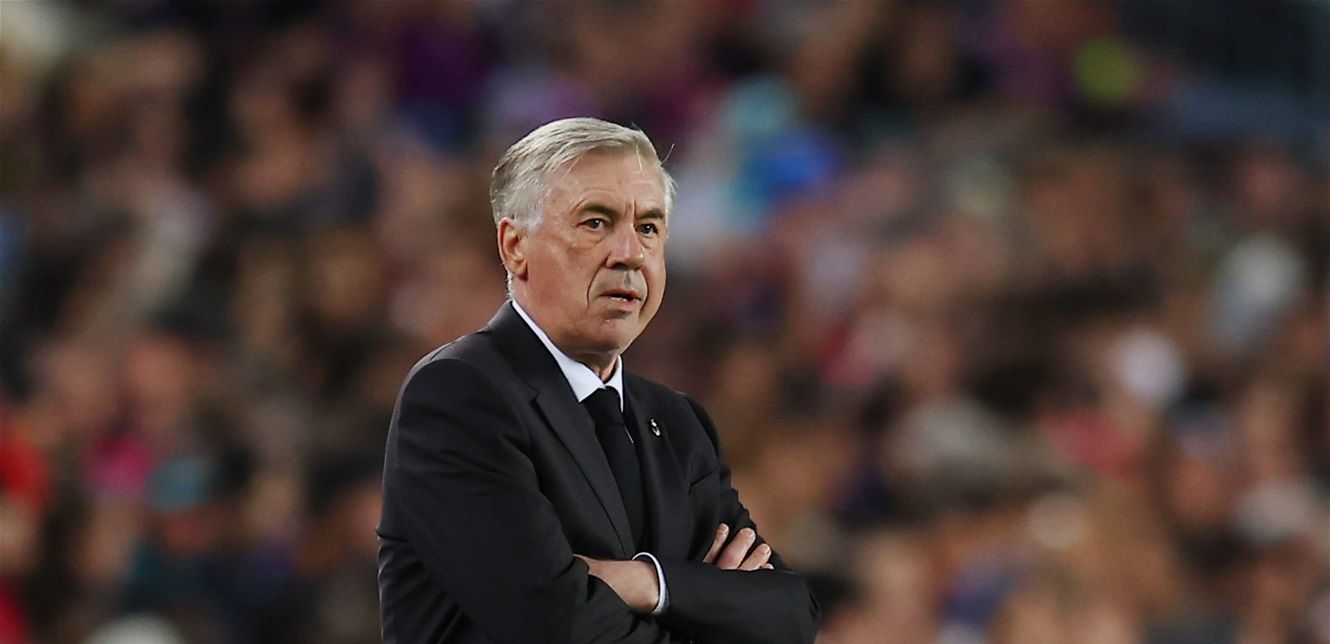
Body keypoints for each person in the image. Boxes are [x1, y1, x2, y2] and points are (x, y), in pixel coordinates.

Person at [377, 117, 819, 643]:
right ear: (515, 246)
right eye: (595, 223)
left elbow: (790, 616)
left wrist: (647, 582)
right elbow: (556, 625)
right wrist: (706, 602)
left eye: (649, 228)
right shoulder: (459, 394)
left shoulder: (678, 424)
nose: (629, 253)